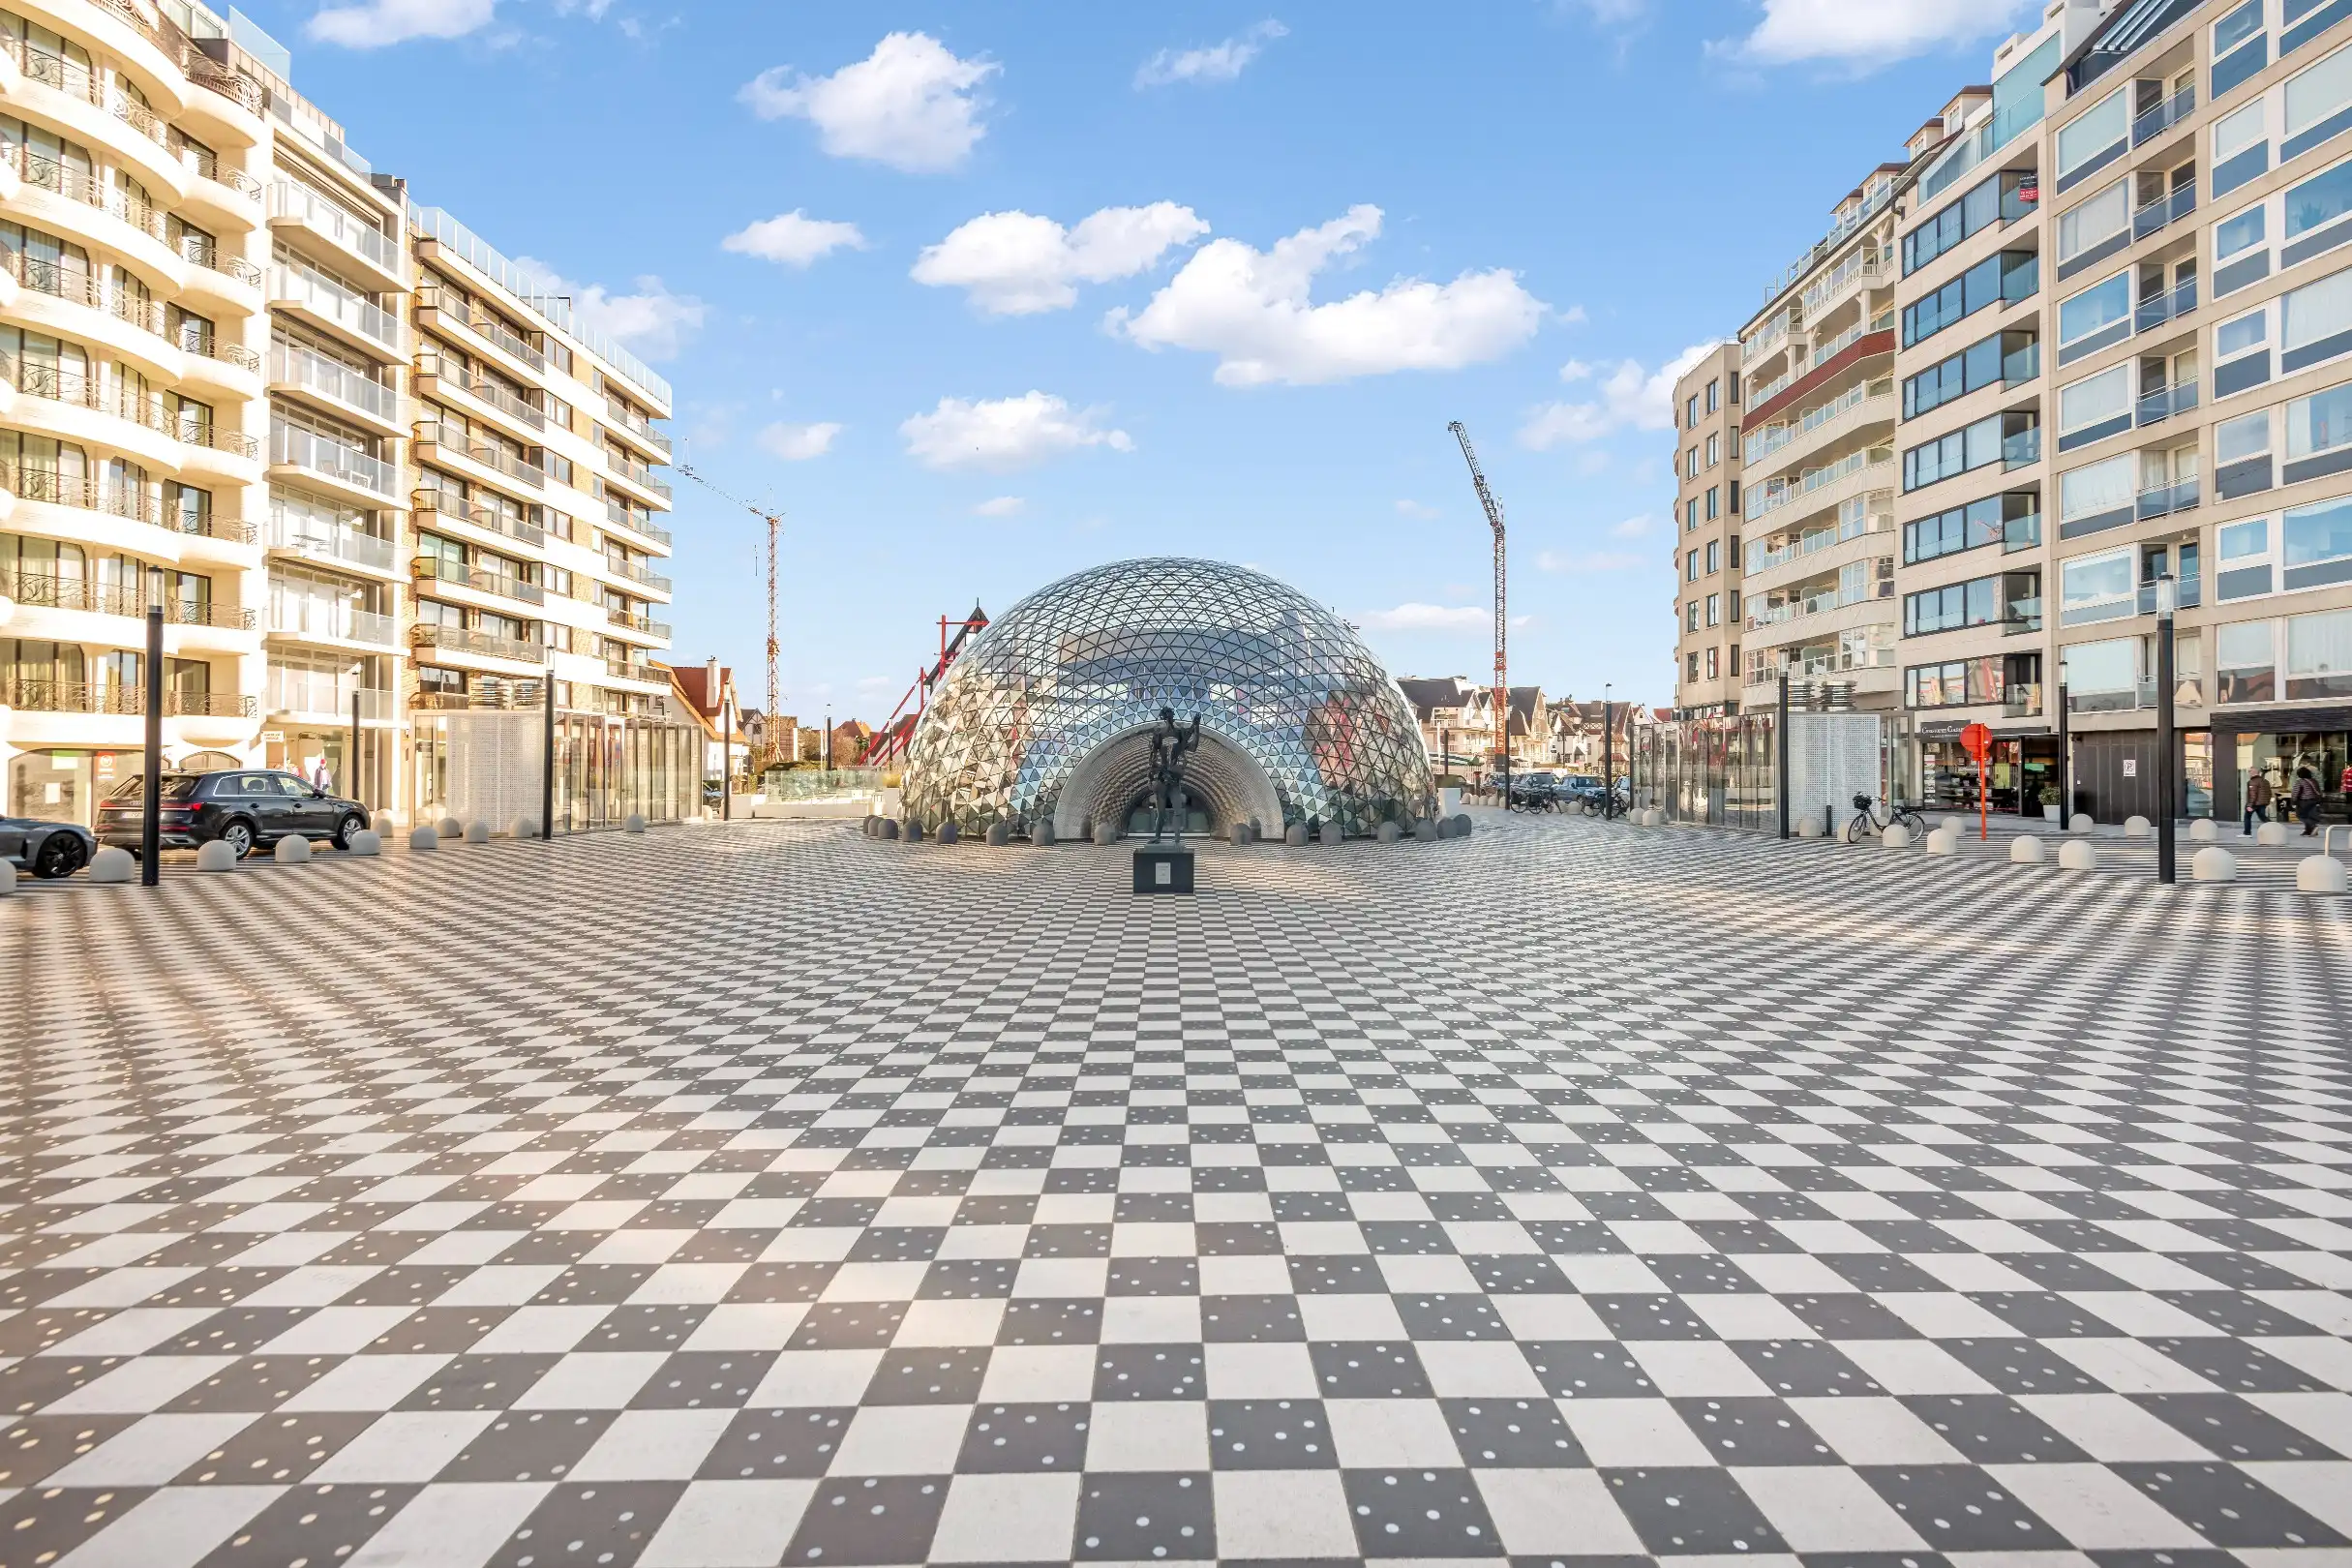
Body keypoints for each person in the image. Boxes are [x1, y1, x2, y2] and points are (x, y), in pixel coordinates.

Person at [2292, 767, 2322, 835]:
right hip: (2314, 800)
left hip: (2304, 801)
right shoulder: (2314, 781)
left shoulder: (2300, 782)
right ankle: (2308, 831)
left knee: (2300, 815)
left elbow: (2296, 792)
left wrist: (2293, 801)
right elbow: (2318, 791)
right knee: (2309, 815)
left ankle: (2313, 826)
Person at [2245, 770, 2271, 834]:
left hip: (2254, 804)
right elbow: (2269, 793)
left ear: (2252, 774)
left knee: (2247, 817)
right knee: (2263, 817)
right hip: (2262, 803)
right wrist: (2266, 802)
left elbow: (2253, 794)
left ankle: (2247, 833)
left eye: (2250, 773)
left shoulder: (2252, 782)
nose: (2249, 774)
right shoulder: (2265, 781)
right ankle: (2274, 827)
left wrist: (2249, 805)